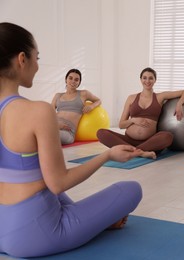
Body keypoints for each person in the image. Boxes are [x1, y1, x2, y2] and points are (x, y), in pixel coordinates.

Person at [0, 22, 143, 258]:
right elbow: (58, 182)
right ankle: (96, 221)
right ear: (22, 59)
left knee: (42, 182)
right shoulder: (39, 111)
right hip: (33, 235)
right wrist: (107, 154)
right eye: (37, 57)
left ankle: (92, 219)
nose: (37, 66)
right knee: (131, 190)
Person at [97, 67, 184, 158]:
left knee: (168, 137)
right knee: (101, 133)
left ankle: (132, 151)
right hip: (128, 140)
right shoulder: (131, 98)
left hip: (149, 142)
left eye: (151, 78)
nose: (147, 81)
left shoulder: (160, 97)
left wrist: (179, 104)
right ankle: (141, 152)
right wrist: (133, 120)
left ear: (155, 80)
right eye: (144, 78)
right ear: (140, 79)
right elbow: (121, 125)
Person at [51, 69, 101, 145]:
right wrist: (56, 125)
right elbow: (49, 113)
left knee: (48, 134)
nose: (73, 81)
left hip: (67, 132)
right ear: (66, 79)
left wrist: (91, 107)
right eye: (70, 78)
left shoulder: (84, 93)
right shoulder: (58, 95)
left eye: (76, 80)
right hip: (54, 125)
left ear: (79, 83)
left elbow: (98, 100)